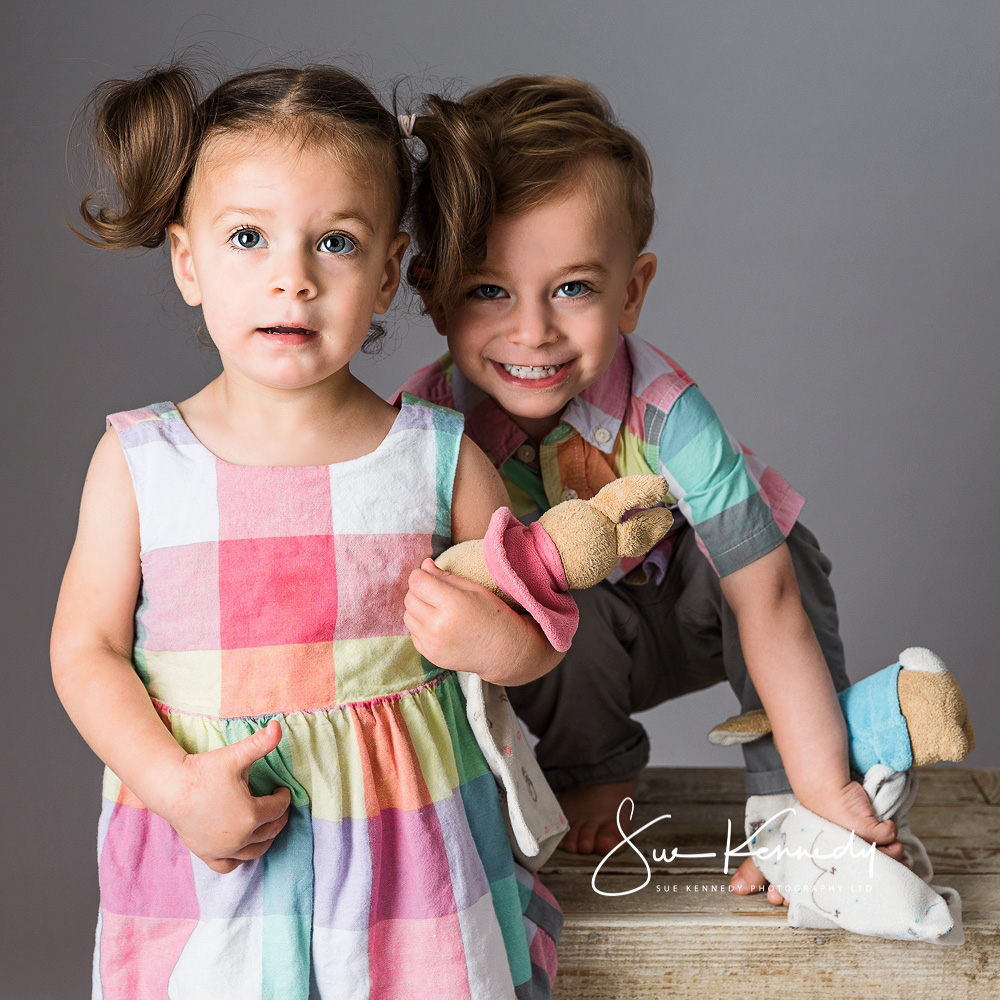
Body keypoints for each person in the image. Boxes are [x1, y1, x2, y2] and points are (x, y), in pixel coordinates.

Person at [50, 62, 562, 1000]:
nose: (291, 278)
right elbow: (84, 652)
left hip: (406, 857)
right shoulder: (141, 464)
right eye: (249, 237)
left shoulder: (436, 459)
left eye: (334, 242)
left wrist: (499, 640)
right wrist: (171, 785)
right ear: (188, 262)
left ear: (385, 276)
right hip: (217, 849)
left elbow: (538, 631)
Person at [397, 75, 905, 903]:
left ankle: (793, 800)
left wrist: (822, 792)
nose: (532, 331)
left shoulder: (666, 416)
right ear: (432, 289)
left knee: (784, 554)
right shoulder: (422, 430)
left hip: (694, 613)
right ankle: (589, 769)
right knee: (525, 582)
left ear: (630, 291)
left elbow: (766, 598)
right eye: (489, 290)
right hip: (567, 651)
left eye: (574, 288)